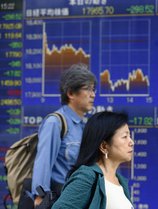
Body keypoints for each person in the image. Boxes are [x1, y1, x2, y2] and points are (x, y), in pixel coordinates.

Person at [31, 63, 97, 207]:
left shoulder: (83, 126)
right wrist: (40, 198)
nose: (93, 94)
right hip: (60, 200)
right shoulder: (55, 123)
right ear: (71, 93)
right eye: (87, 89)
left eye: (93, 89)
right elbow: (43, 162)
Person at [52, 111, 134, 209]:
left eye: (129, 136)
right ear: (104, 146)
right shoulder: (87, 177)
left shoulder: (120, 181)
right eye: (124, 137)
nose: (131, 142)